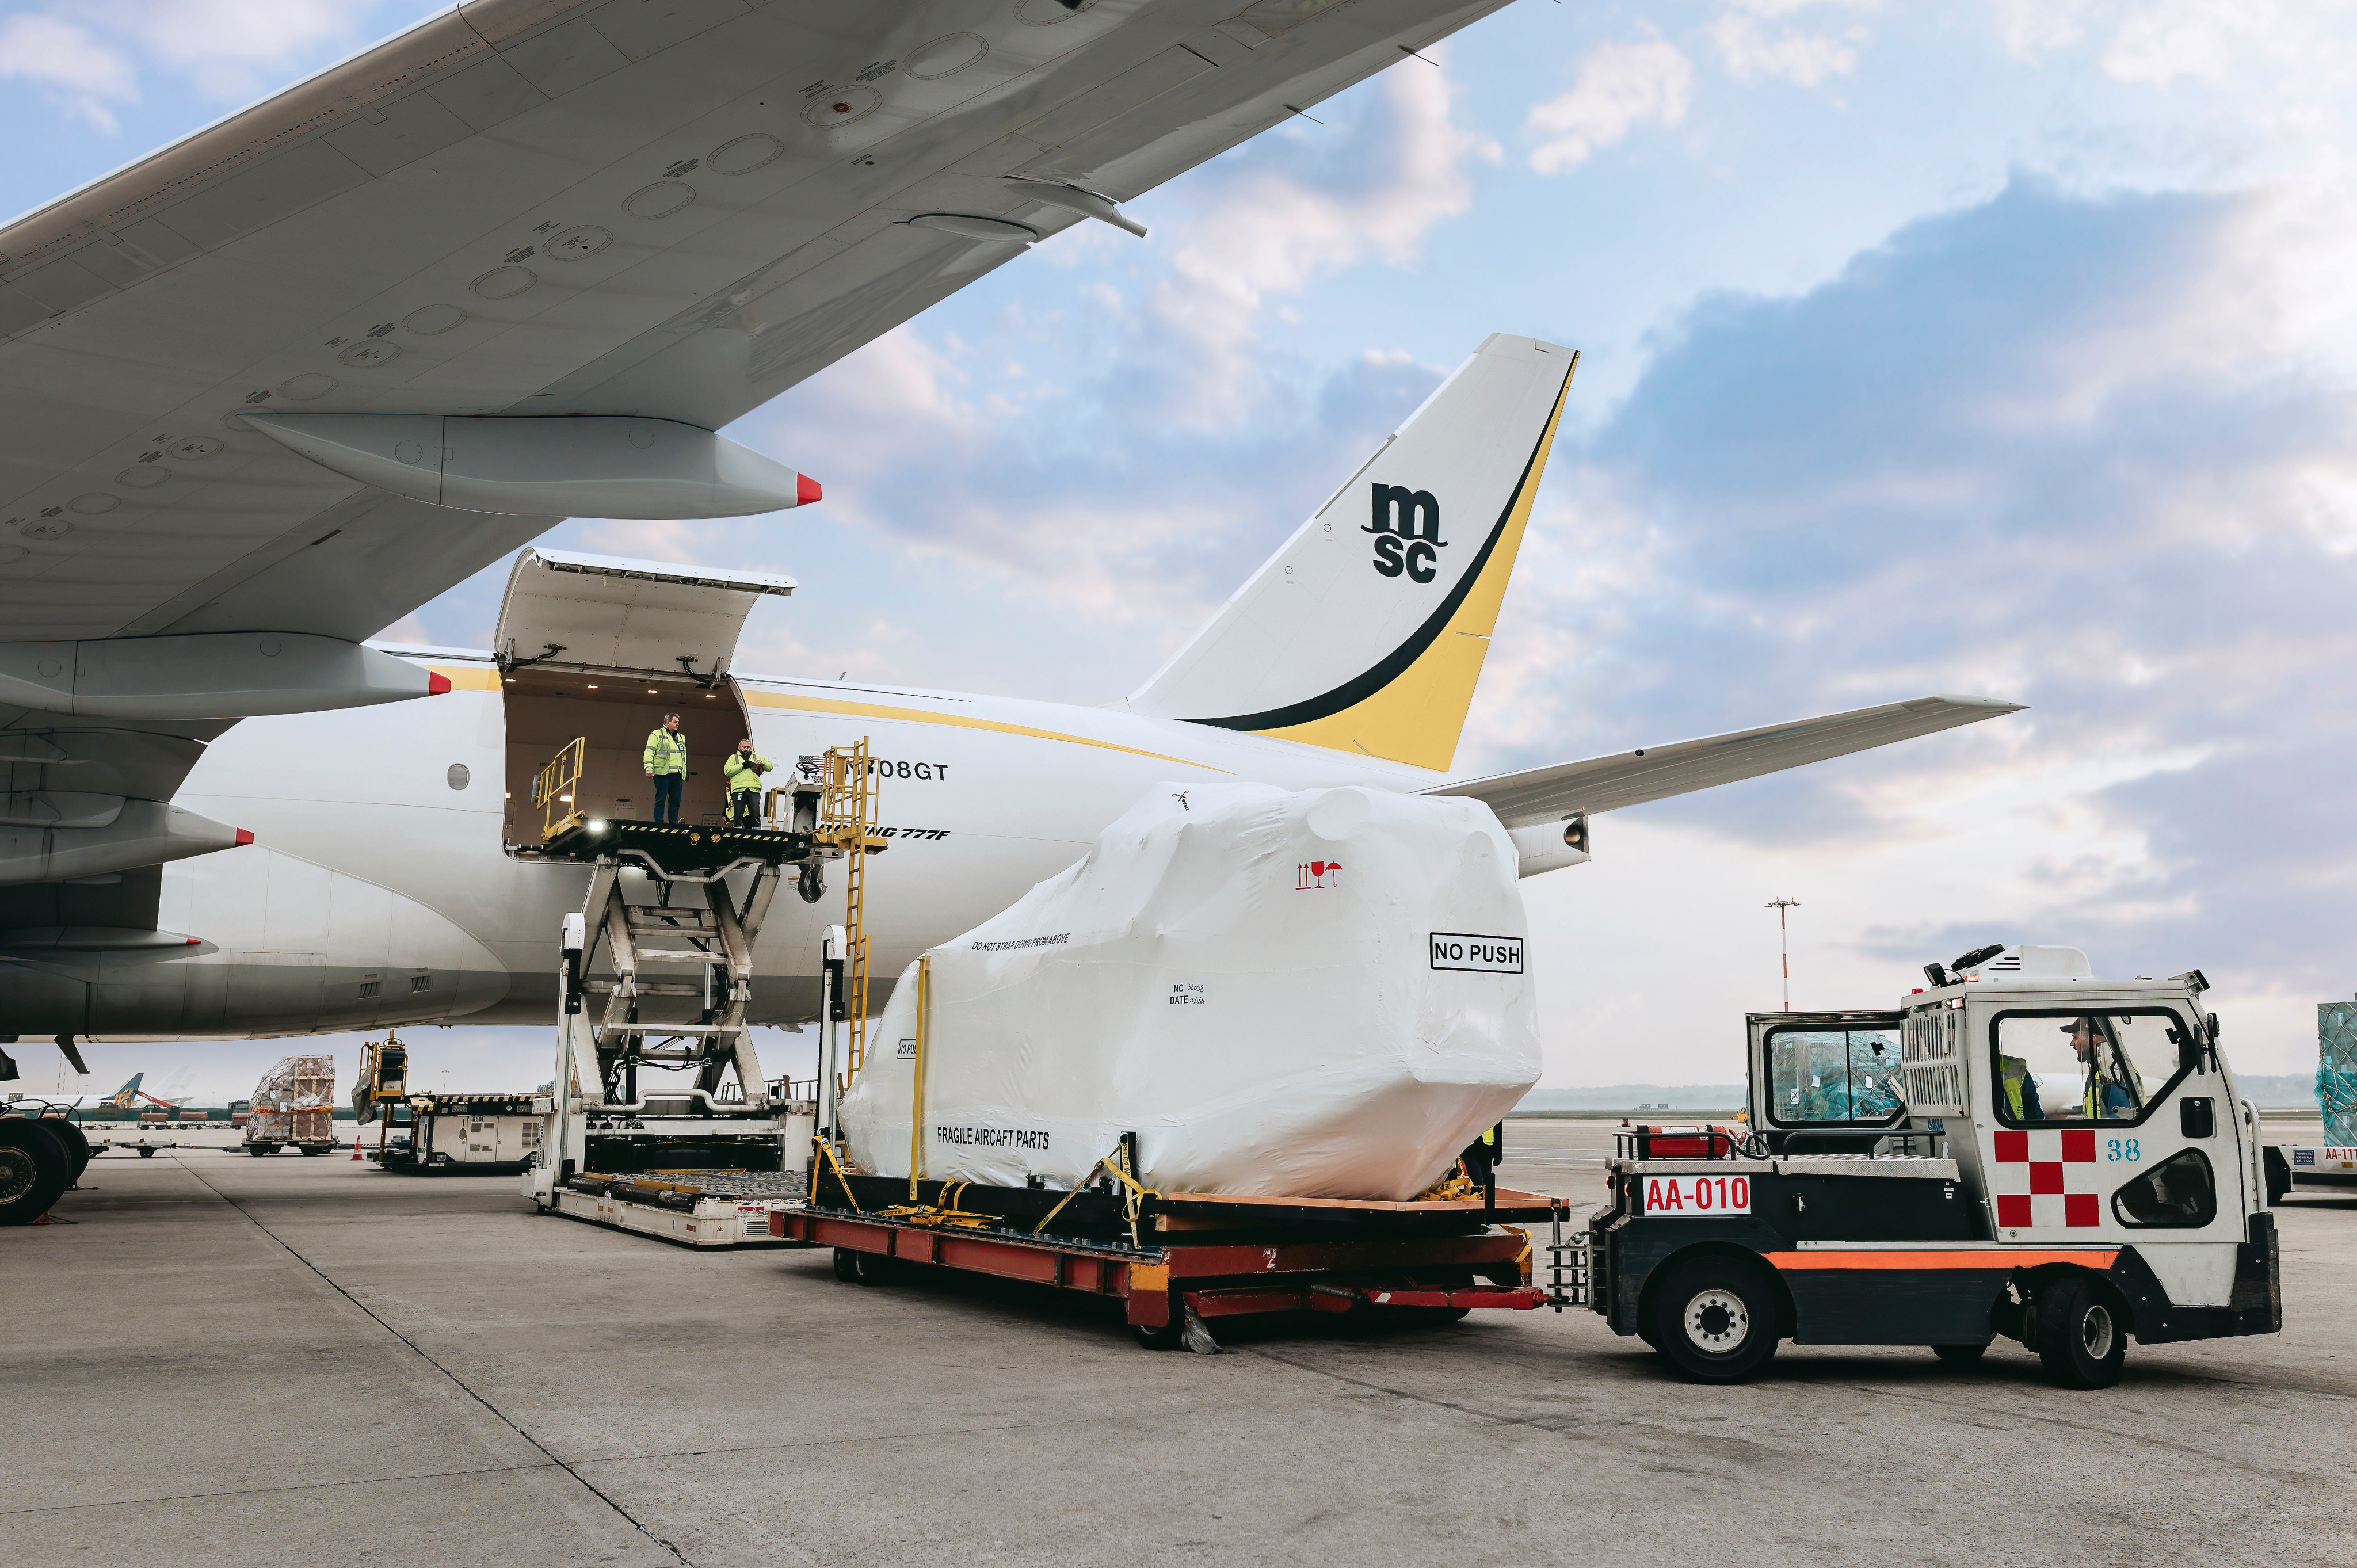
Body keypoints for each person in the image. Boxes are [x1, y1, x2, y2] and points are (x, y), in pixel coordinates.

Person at [2065, 1017, 2137, 1120]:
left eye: (2075, 1037)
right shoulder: (2099, 1070)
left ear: (2092, 1039)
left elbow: (2120, 1126)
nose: (2072, 1044)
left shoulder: (2114, 1071)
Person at [642, 713, 687, 823]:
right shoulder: (656, 735)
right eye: (675, 722)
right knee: (661, 799)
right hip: (663, 773)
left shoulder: (681, 737)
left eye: (678, 722)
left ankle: (673, 823)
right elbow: (649, 752)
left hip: (677, 774)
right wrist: (649, 768)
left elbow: (683, 756)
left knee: (675, 801)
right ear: (667, 722)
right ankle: (659, 822)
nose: (678, 724)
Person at [722, 737, 772, 827]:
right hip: (739, 789)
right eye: (744, 747)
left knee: (755, 813)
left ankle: (757, 834)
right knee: (738, 814)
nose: (746, 749)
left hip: (754, 789)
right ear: (739, 748)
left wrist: (762, 763)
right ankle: (737, 833)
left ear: (750, 748)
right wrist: (742, 766)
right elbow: (727, 771)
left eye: (748, 747)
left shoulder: (757, 757)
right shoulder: (733, 758)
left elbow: (770, 767)